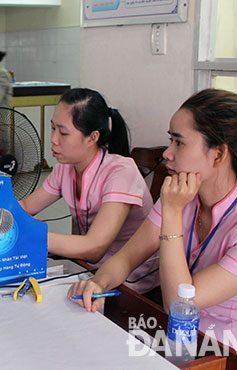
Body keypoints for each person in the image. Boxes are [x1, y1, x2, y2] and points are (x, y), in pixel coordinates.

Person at [70, 89, 237, 369]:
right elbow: (125, 258)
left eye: (179, 143)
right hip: (187, 343)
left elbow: (179, 305)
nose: (167, 154)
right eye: (170, 140)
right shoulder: (184, 196)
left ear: (218, 154)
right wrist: (98, 284)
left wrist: (171, 212)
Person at [20, 88, 159, 293]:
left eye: (63, 132)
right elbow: (25, 207)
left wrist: (28, 234)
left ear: (92, 137)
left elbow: (94, 247)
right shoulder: (65, 169)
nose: (53, 139)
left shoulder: (121, 172)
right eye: (52, 129)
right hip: (91, 269)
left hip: (130, 279)